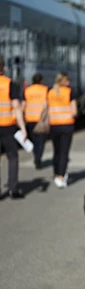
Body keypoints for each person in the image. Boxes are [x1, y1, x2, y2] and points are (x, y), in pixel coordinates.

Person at [0, 56, 27, 199]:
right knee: (12, 157)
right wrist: (22, 128)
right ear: (3, 68)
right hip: (7, 127)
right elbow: (16, 107)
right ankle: (13, 188)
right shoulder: (10, 84)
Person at [47, 72, 77, 188]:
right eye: (68, 80)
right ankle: (61, 176)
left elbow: (47, 107)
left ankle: (56, 173)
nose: (69, 83)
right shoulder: (70, 92)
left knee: (57, 151)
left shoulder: (50, 92)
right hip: (67, 125)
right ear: (64, 81)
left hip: (54, 125)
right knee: (64, 152)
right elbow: (74, 111)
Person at [22, 73, 48, 169]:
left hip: (30, 118)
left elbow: (24, 105)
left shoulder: (27, 90)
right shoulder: (45, 90)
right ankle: (38, 158)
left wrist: (22, 116)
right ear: (41, 80)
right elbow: (46, 104)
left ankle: (35, 155)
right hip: (40, 119)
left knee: (33, 139)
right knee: (40, 140)